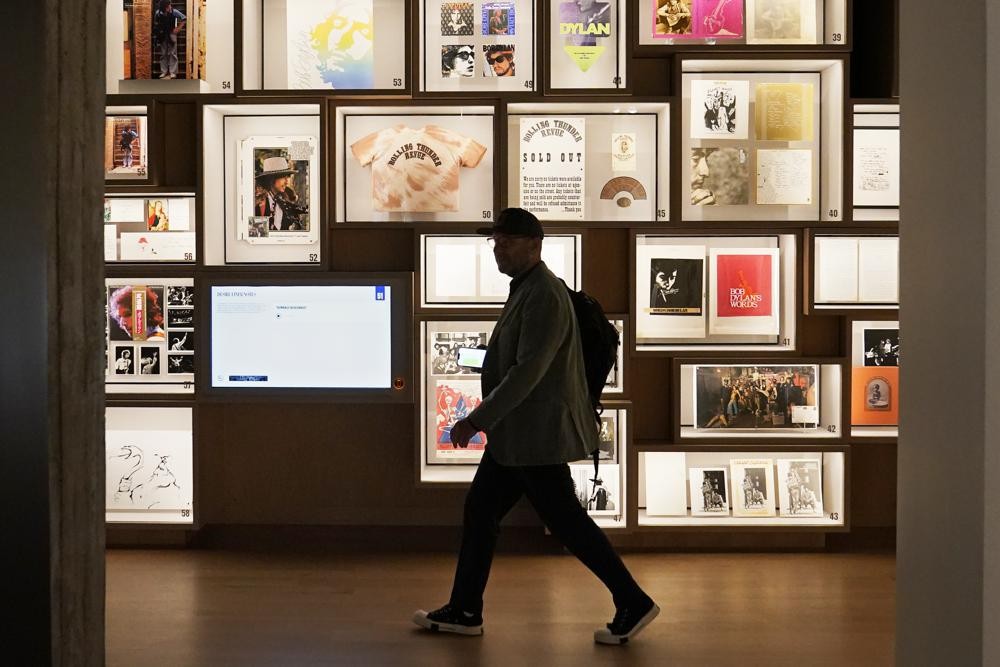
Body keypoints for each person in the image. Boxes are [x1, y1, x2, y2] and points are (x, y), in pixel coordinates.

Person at [412, 208, 658, 646]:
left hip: (535, 436)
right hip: (519, 436)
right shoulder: (527, 289)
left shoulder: (543, 294)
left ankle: (632, 600)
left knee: (565, 522)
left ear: (534, 245)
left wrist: (476, 419)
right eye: (495, 241)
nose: (498, 248)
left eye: (506, 241)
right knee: (483, 510)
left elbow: (528, 371)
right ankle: (465, 609)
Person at [254, 156, 307, 231]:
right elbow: (257, 235)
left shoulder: (285, 202)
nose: (286, 182)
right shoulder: (258, 204)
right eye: (283, 177)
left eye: (287, 177)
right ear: (272, 179)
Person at [153, 1, 186, 80]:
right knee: (163, 54)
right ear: (163, 7)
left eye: (169, 5)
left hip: (171, 34)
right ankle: (164, 71)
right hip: (162, 35)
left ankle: (173, 72)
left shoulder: (174, 11)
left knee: (173, 53)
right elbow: (156, 23)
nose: (169, 7)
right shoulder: (158, 13)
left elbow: (184, 18)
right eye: (167, 6)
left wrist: (178, 28)